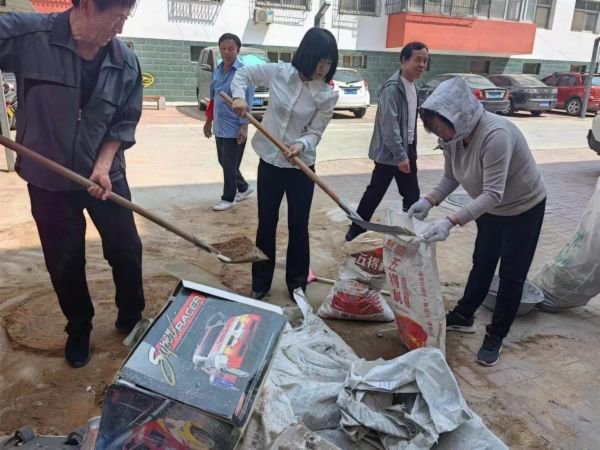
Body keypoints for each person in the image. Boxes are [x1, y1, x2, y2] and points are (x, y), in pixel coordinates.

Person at [0, 0, 144, 368]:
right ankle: (79, 328)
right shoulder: (29, 36)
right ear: (87, 6)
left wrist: (103, 164)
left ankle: (131, 317)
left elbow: (124, 120)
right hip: (48, 180)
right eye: (115, 19)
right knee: (64, 262)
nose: (120, 30)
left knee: (126, 249)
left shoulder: (124, 60)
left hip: (104, 175)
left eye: (125, 19)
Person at [409, 77, 547, 367]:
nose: (438, 133)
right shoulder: (453, 139)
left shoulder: (495, 135)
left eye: (439, 126)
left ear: (459, 115)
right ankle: (464, 313)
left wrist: (450, 221)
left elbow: (493, 193)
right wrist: (427, 201)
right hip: (491, 210)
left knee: (511, 274)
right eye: (433, 128)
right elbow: (451, 177)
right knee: (482, 261)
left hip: (524, 208)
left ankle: (496, 335)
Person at [230, 28, 339, 300]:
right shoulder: (279, 72)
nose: (323, 68)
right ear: (306, 55)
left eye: (329, 62)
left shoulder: (326, 94)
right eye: (319, 60)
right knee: (266, 223)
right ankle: (261, 283)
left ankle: (297, 283)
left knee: (298, 226)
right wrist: (239, 96)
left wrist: (301, 144)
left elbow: (316, 131)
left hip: (301, 167)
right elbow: (243, 73)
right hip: (269, 161)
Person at [345, 42, 428, 242]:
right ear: (403, 60)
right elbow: (389, 126)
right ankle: (355, 231)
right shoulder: (392, 89)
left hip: (407, 149)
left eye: (425, 61)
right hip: (391, 153)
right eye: (418, 60)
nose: (422, 65)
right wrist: (400, 155)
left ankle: (408, 231)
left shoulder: (413, 86)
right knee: (376, 192)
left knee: (412, 194)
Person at [203, 33, 254, 211]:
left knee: (229, 164)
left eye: (230, 48)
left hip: (235, 127)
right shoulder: (217, 70)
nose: (226, 52)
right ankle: (244, 188)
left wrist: (244, 127)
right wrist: (209, 120)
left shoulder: (243, 73)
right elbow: (213, 98)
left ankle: (228, 197)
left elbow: (248, 101)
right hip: (220, 126)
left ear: (237, 50)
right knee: (224, 161)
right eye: (223, 48)